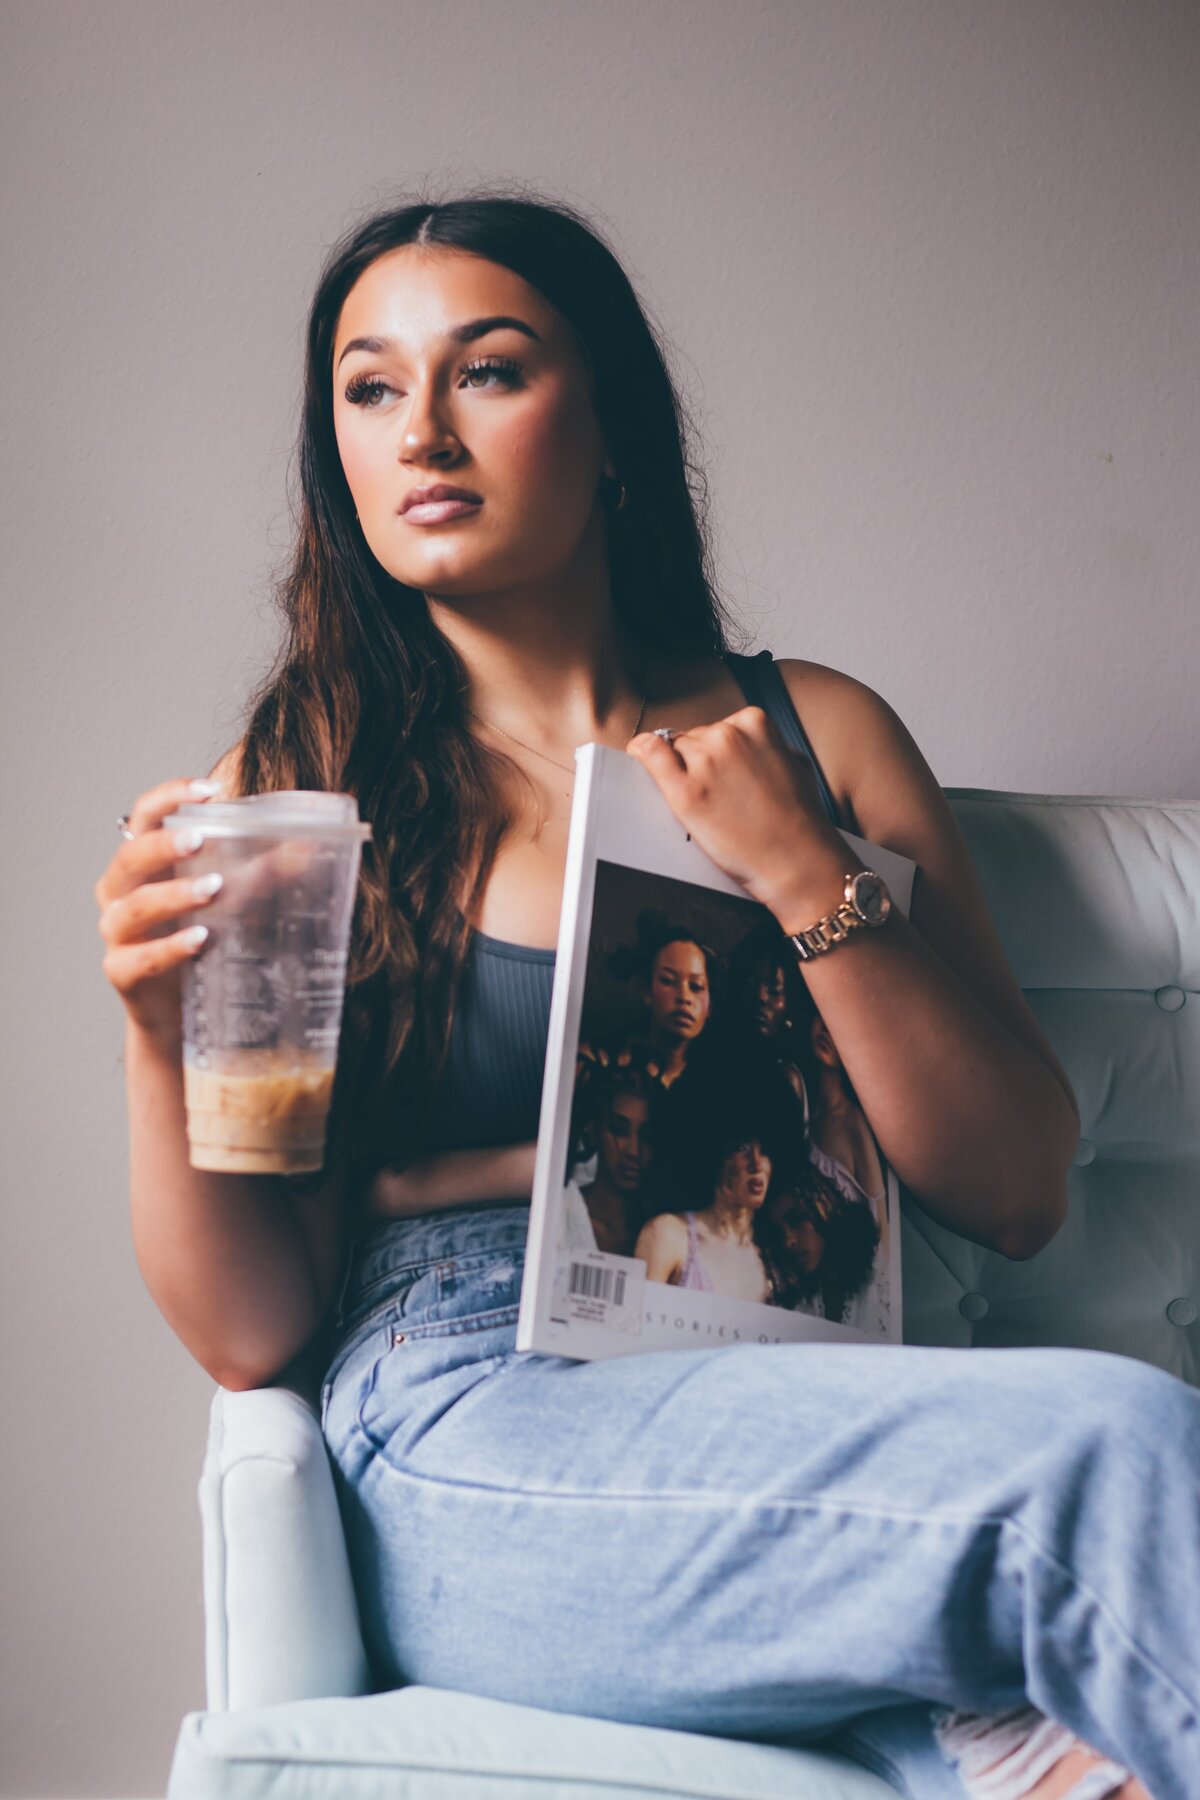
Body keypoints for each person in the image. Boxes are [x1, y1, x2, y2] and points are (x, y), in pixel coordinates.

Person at [91, 191, 1194, 1800]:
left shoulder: (817, 734)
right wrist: (156, 1033)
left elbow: (1017, 1189)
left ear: (610, 428)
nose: (425, 435)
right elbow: (255, 1331)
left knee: (1071, 1754)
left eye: (491, 370)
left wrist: (810, 873)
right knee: (1119, 1454)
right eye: (372, 388)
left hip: (789, 1387)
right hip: (476, 1415)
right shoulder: (307, 789)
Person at [634, 1132, 773, 1303]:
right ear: (717, 1154)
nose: (757, 1164)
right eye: (742, 1148)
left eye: (765, 1151)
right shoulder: (667, 1234)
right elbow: (634, 1319)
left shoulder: (773, 1258)